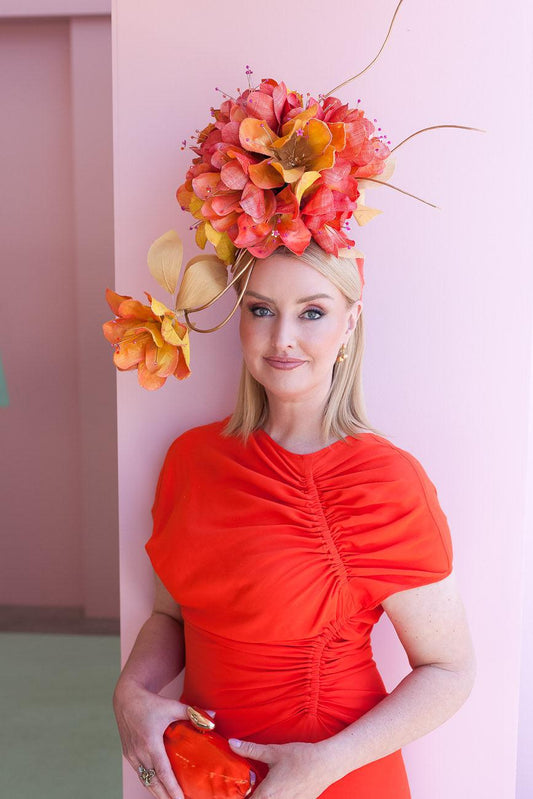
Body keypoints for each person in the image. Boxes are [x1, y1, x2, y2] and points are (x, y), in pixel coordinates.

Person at [112, 238, 477, 799]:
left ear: (350, 322)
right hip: (204, 776)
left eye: (312, 312)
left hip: (335, 779)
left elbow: (449, 671)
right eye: (261, 309)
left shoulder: (386, 480)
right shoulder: (190, 458)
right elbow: (172, 617)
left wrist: (322, 766)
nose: (282, 339)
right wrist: (131, 693)